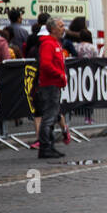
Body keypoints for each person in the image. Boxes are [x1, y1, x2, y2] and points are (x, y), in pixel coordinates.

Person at [36, 17, 68, 159]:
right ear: (53, 28)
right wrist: (59, 74)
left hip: (55, 84)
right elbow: (46, 65)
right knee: (49, 116)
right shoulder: (48, 44)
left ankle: (50, 145)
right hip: (50, 84)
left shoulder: (56, 43)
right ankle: (45, 147)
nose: (64, 28)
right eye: (61, 26)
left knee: (53, 115)